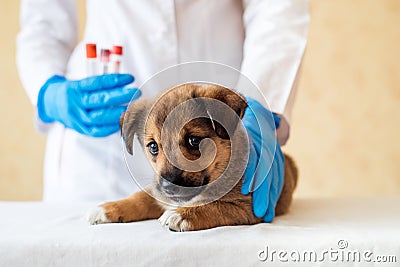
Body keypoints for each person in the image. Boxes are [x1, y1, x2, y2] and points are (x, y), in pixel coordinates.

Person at [17, 0, 309, 222]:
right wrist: (48, 91)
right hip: (99, 154)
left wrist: (260, 101)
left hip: (220, 107)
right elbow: (42, 22)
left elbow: (277, 8)